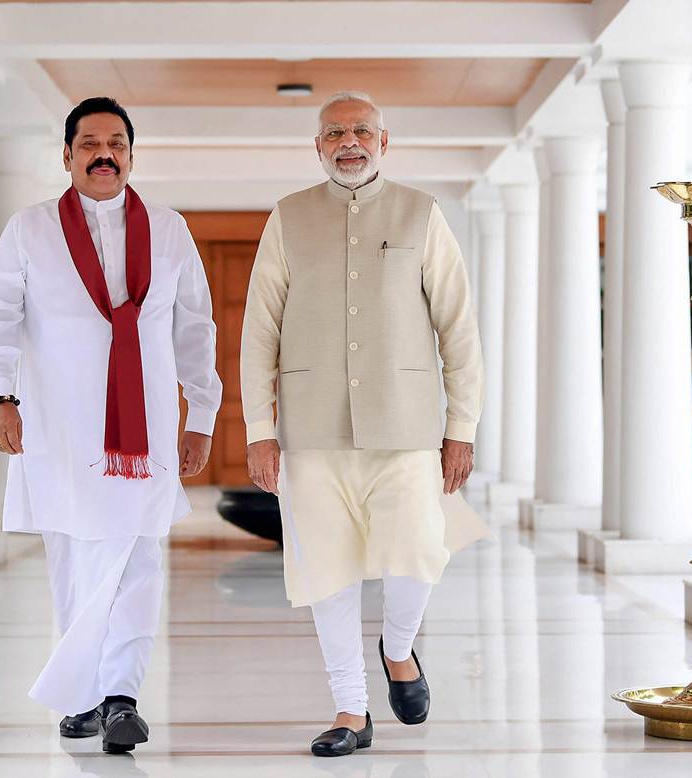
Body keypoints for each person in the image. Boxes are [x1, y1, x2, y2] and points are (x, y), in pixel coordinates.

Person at [0, 97, 222, 754]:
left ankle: (121, 697)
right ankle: (83, 696)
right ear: (67, 155)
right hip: (57, 423)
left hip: (144, 433)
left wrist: (201, 413)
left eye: (116, 142)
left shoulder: (167, 229)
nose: (104, 152)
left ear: (132, 156)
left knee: (138, 555)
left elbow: (195, 327)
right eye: (89, 143)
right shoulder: (29, 230)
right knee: (75, 561)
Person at [240, 91, 484, 757]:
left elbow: (457, 326)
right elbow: (259, 327)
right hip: (311, 432)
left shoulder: (421, 214)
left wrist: (460, 424)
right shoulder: (287, 219)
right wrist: (260, 428)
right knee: (327, 570)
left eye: (361, 131)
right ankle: (351, 708)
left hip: (406, 427)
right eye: (334, 132)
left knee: (419, 552)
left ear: (385, 141)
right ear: (317, 146)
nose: (349, 141)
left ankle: (398, 649)